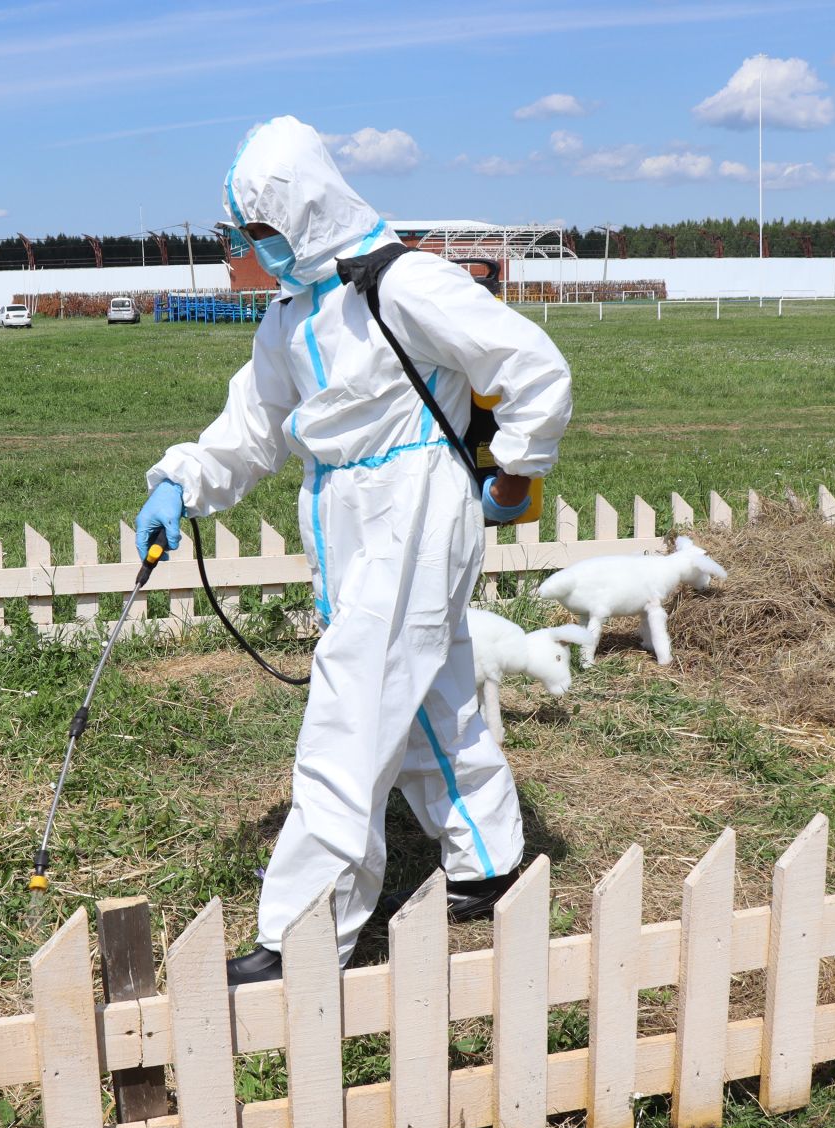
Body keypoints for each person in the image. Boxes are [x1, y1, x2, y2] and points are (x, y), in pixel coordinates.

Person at [137, 116, 572, 984]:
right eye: (235, 235)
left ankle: (305, 932)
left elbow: (531, 363)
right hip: (350, 515)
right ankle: (487, 858)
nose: (239, 250)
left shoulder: (405, 283)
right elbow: (254, 425)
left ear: (295, 219)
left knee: (354, 705)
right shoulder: (294, 314)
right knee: (430, 690)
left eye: (249, 233)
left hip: (412, 508)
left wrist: (517, 475)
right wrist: (182, 481)